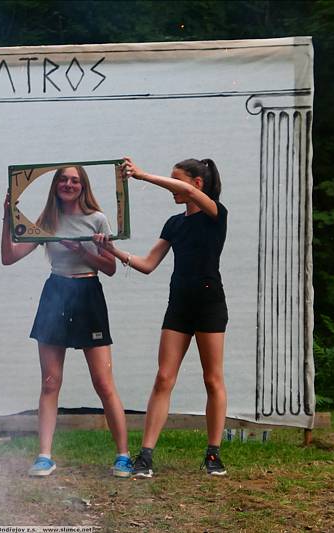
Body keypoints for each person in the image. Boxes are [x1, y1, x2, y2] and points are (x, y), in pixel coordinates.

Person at [93, 156, 228, 477]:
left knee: (212, 379)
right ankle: (146, 456)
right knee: (164, 378)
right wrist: (113, 251)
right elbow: (148, 264)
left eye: (176, 181)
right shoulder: (174, 224)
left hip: (209, 304)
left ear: (197, 183)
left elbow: (189, 193)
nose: (172, 189)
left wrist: (142, 176)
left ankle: (213, 454)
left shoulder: (216, 213)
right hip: (179, 305)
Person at [2, 166, 132, 478]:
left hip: (88, 294)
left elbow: (110, 268)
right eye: (63, 179)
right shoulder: (47, 220)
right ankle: (44, 456)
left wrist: (83, 251)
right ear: (56, 185)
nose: (68, 184)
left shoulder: (97, 219)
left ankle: (123, 455)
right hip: (56, 294)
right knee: (50, 382)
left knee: (103, 382)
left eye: (75, 180)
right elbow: (9, 257)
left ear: (83, 186)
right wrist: (8, 217)